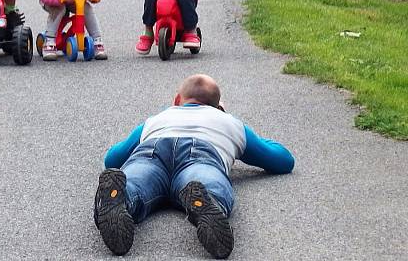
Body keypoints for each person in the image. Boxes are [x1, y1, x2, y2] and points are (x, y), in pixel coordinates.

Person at [93, 74, 294, 259]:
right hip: (200, 154)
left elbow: (112, 158)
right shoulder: (229, 122)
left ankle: (121, 197)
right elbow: (283, 160)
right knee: (207, 182)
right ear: (218, 107)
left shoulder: (157, 119)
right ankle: (207, 201)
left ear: (176, 100)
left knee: (136, 180)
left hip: (152, 150)